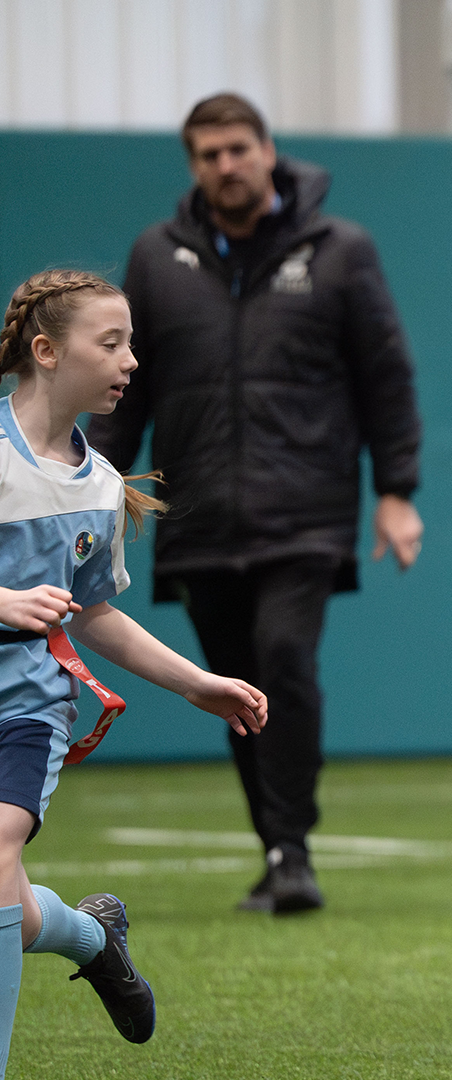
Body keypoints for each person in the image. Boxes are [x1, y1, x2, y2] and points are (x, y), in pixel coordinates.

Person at [87, 93, 424, 915]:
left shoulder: (341, 251)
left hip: (304, 510)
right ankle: (275, 848)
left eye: (238, 148)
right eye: (207, 154)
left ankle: (293, 847)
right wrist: (89, 487)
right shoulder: (155, 258)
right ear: (192, 165)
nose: (225, 165)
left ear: (270, 150)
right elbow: (124, 391)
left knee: (285, 658)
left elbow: (386, 375)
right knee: (226, 685)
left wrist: (398, 493)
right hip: (196, 515)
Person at [0, 270, 269, 1074]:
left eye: (131, 343)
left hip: (28, 708)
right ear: (47, 351)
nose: (131, 360)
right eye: (110, 343)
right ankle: (93, 939)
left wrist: (198, 683)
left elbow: (95, 613)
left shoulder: (103, 484)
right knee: (6, 897)